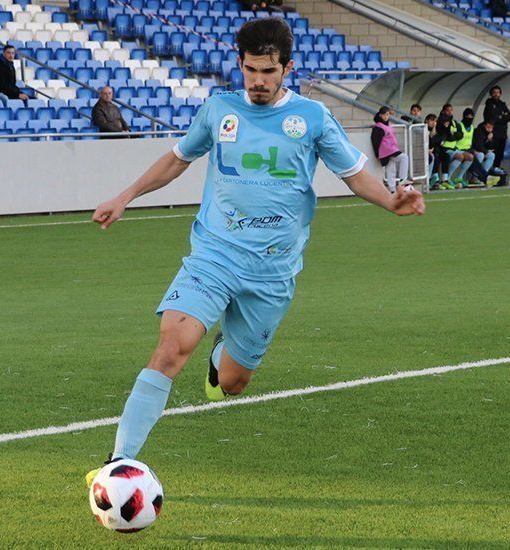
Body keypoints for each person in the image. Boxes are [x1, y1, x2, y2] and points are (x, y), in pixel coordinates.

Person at [84, 17, 425, 483]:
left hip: (271, 272)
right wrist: (124, 196)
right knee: (170, 349)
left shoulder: (312, 118)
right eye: (250, 70)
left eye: (268, 71)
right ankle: (118, 463)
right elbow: (176, 160)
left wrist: (390, 201)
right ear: (239, 65)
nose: (258, 81)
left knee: (232, 383)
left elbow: (352, 173)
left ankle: (220, 358)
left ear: (287, 67)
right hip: (214, 256)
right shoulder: (219, 110)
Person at [371, 106, 410, 193]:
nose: (386, 116)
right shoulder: (378, 127)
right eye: (385, 114)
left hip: (391, 149)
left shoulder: (388, 125)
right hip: (387, 150)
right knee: (404, 157)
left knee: (391, 168)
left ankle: (392, 190)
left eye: (388, 114)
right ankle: (403, 180)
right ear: (380, 115)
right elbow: (375, 141)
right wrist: (377, 153)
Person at [483, 86, 510, 175]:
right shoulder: (489, 104)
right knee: (493, 153)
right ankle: (489, 170)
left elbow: (509, 116)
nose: (496, 94)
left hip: (503, 133)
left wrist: (500, 117)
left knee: (500, 153)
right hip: (494, 133)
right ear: (491, 94)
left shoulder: (502, 104)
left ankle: (497, 167)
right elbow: (493, 117)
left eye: (498, 92)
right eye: (494, 92)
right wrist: (501, 116)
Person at [437, 104, 465, 190]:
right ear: (443, 111)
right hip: (444, 148)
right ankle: (446, 179)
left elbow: (460, 135)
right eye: (447, 110)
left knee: (470, 157)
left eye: (451, 110)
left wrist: (454, 135)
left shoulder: (454, 122)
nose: (449, 112)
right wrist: (453, 135)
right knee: (459, 157)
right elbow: (446, 134)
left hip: (454, 148)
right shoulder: (441, 121)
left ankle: (458, 178)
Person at [470, 120, 502, 186]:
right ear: (484, 126)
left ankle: (485, 176)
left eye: (491, 128)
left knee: (492, 155)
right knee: (481, 155)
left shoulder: (490, 134)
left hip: (483, 151)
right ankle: (475, 177)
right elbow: (478, 145)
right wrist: (486, 151)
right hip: (475, 151)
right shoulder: (478, 131)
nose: (489, 129)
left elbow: (492, 147)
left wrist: (489, 140)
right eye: (488, 127)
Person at [425, 114, 443, 189]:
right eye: (432, 120)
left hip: (430, 152)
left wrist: (433, 135)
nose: (433, 123)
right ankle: (428, 179)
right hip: (421, 152)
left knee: (439, 154)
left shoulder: (434, 132)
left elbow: (440, 142)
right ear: (426, 120)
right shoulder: (422, 129)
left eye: (435, 121)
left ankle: (436, 177)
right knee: (432, 156)